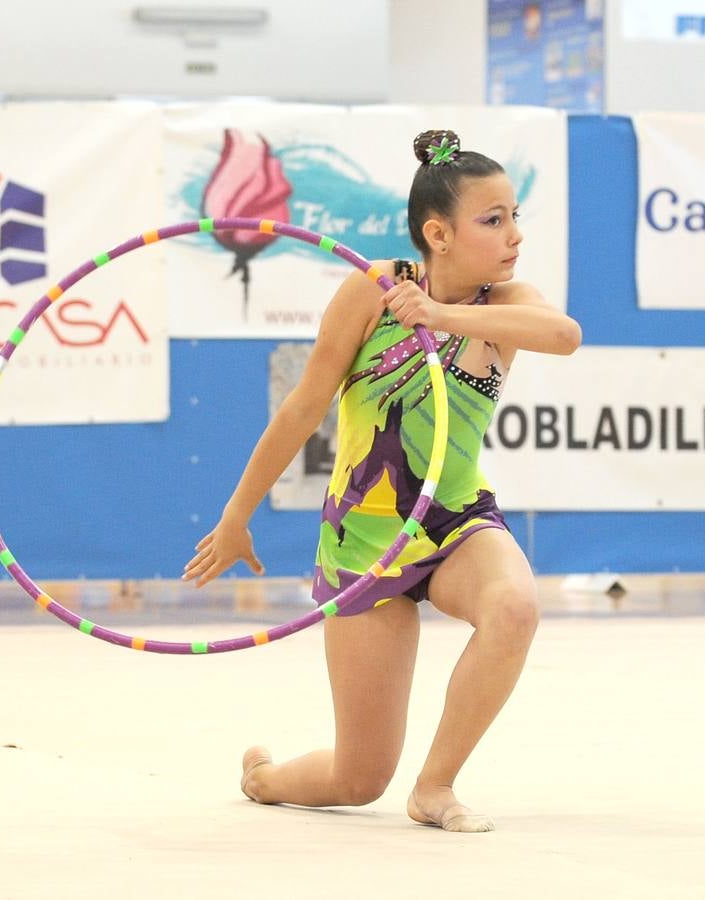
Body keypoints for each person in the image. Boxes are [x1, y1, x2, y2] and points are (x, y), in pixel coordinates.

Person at [183, 130, 582, 832]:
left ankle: (434, 788)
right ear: (439, 233)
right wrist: (237, 513)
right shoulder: (372, 288)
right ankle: (266, 779)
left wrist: (440, 316)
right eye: (493, 221)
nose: (513, 235)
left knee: (514, 608)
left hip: (452, 519)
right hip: (363, 537)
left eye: (515, 216)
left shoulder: (507, 300)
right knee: (357, 777)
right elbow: (303, 406)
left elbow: (563, 335)